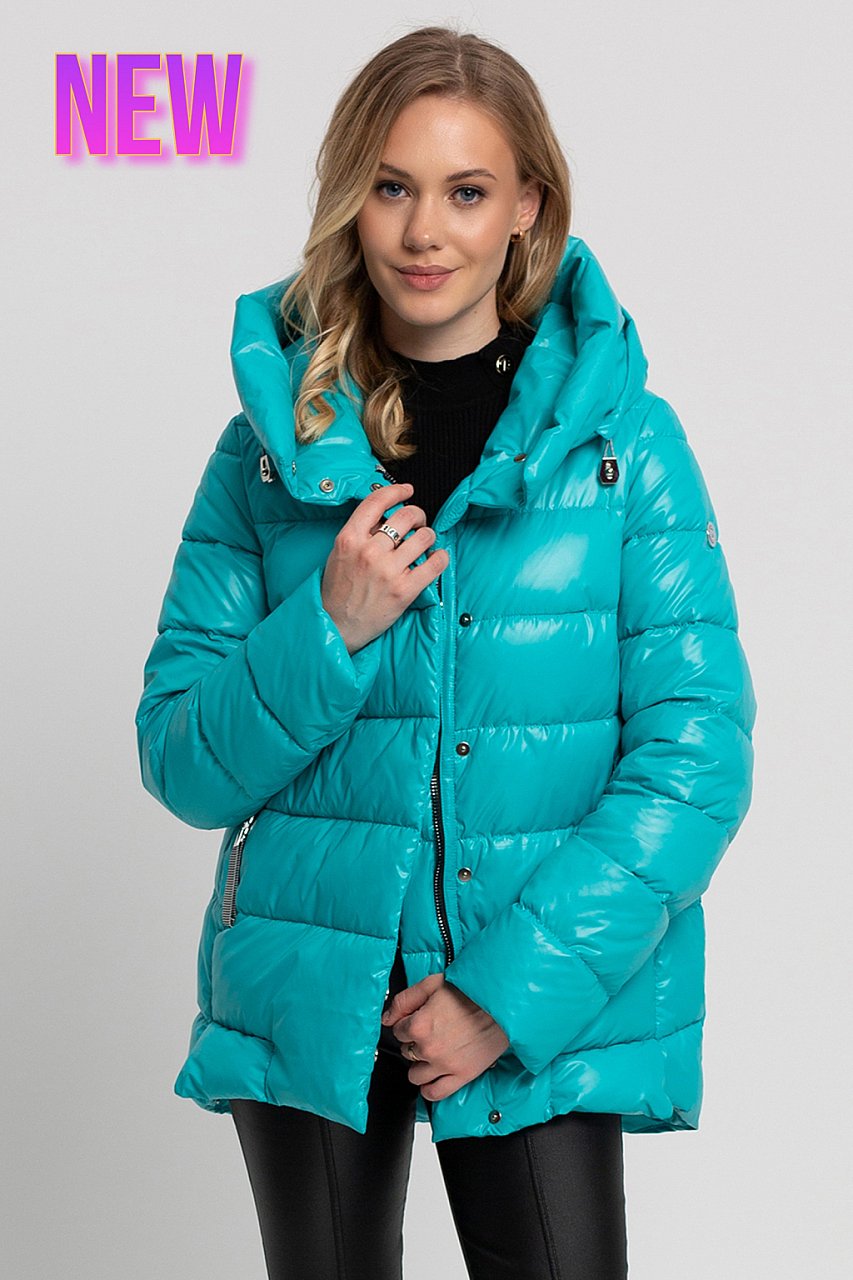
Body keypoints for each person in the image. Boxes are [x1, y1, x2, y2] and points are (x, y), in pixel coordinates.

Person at [135, 24, 757, 1280]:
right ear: (350, 199)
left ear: (526, 205)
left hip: (532, 982)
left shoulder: (623, 446)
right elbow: (182, 757)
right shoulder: (266, 453)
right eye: (392, 186)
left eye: (466, 191)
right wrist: (328, 627)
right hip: (313, 974)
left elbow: (696, 757)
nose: (425, 233)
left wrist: (504, 993)